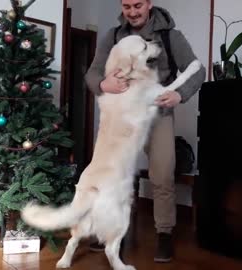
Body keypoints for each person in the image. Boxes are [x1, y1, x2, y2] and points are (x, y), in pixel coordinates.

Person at [84, 0, 206, 263]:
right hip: (122, 116)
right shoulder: (113, 36)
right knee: (112, 175)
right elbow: (92, 73)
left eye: (138, 4)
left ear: (149, 4)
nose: (132, 11)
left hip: (157, 115)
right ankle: (112, 230)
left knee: (162, 174)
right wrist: (104, 83)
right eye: (126, 6)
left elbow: (198, 70)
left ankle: (164, 234)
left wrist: (179, 94)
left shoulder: (172, 37)